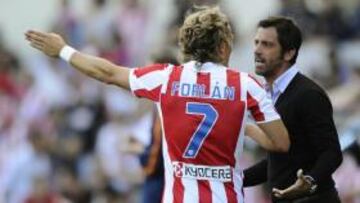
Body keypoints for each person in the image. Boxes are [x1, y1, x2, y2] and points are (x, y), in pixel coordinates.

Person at [25, 6, 290, 203]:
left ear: (186, 45)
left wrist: (63, 50)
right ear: (222, 47)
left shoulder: (166, 78)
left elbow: (106, 73)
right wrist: (242, 125)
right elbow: (281, 143)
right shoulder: (245, 85)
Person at [243, 16, 343, 203]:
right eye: (256, 42)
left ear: (289, 53)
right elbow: (280, 163)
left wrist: (310, 181)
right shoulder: (270, 96)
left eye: (267, 44)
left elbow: (332, 153)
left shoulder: (308, 94)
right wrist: (234, 179)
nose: (257, 50)